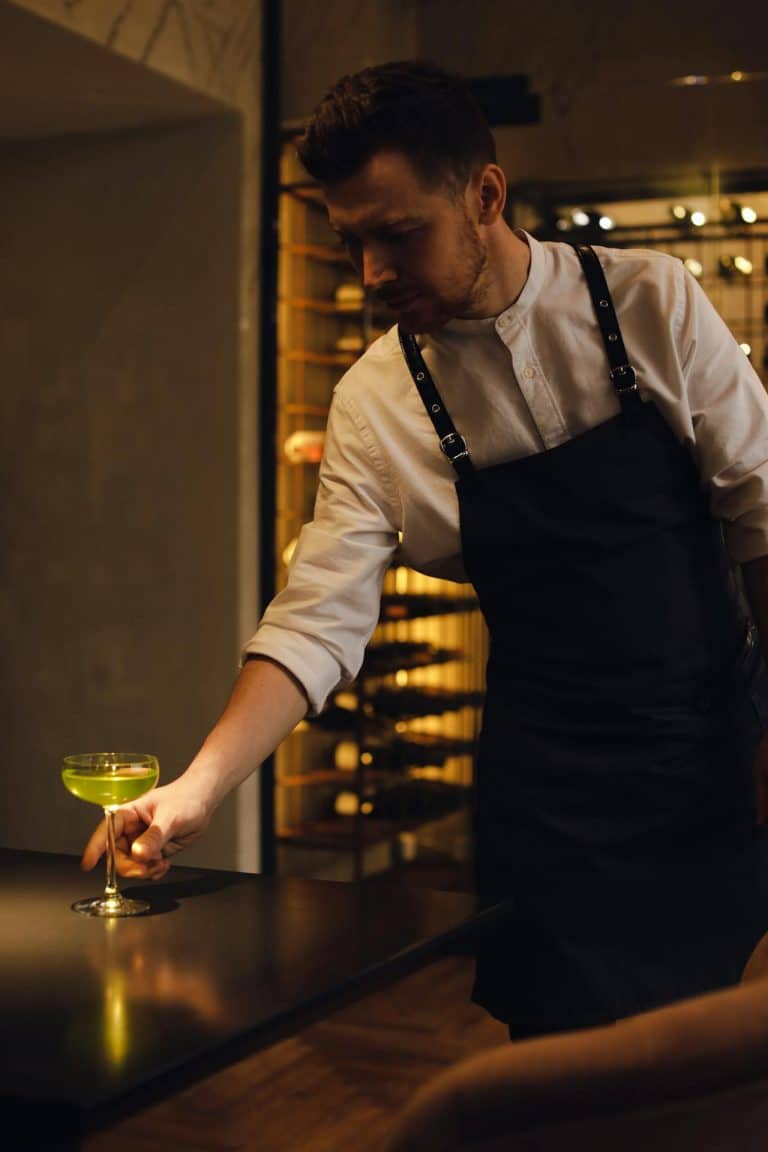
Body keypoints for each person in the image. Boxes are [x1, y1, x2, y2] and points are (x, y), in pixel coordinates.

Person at [82, 59, 768, 1040]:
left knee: (722, 1064)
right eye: (352, 241)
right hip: (552, 798)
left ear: (484, 194)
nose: (370, 274)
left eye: (399, 235)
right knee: (566, 1079)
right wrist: (199, 788)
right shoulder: (375, 400)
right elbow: (319, 617)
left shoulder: (651, 301)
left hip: (719, 757)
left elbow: (762, 510)